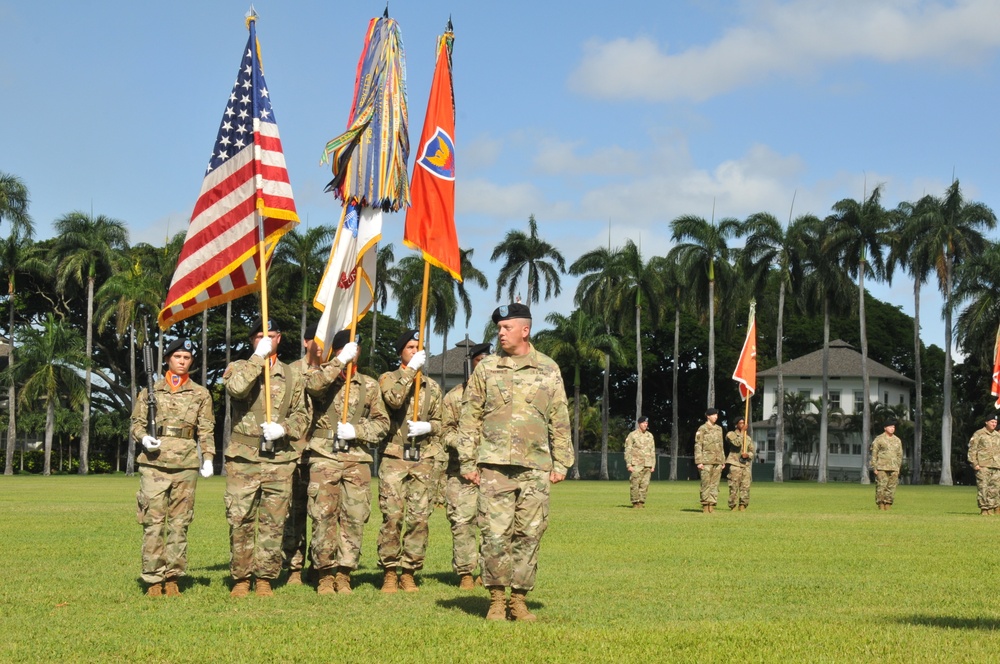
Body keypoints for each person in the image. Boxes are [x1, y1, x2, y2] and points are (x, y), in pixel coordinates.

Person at [457, 303, 573, 622]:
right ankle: (496, 599)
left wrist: (562, 462)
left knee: (530, 533)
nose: (500, 332)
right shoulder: (487, 369)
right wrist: (467, 460)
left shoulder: (548, 369)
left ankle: (518, 599)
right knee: (494, 534)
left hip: (535, 467)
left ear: (525, 330)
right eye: (499, 327)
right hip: (494, 467)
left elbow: (559, 418)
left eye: (507, 327)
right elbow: (470, 417)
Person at [223, 318, 310, 597]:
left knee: (274, 522)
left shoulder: (293, 375)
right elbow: (236, 389)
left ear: (279, 339)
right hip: (243, 459)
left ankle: (265, 578)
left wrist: (283, 428)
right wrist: (257, 358)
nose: (265, 339)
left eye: (270, 336)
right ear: (251, 340)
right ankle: (241, 577)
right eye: (259, 336)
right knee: (241, 520)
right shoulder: (238, 368)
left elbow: (302, 415)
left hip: (279, 459)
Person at [305, 329, 390, 595]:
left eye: (357, 350)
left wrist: (359, 431)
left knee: (354, 517)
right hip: (325, 456)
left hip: (356, 459)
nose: (355, 354)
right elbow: (313, 386)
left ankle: (344, 573)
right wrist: (339, 362)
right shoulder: (320, 376)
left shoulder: (369, 385)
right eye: (348, 349)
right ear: (338, 350)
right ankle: (324, 574)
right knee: (323, 517)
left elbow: (382, 423)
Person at [131, 338, 215, 596]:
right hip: (154, 465)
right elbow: (136, 423)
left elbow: (206, 428)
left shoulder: (201, 393)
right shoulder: (150, 391)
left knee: (180, 524)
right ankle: (154, 579)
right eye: (177, 356)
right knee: (153, 524)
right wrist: (143, 438)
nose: (182, 361)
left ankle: (173, 578)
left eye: (187, 358)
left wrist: (209, 457)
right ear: (168, 359)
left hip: (186, 465)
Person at [376, 329, 443, 593]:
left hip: (423, 459)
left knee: (419, 519)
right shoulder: (388, 378)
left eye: (419, 348)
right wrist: (409, 372)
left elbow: (442, 422)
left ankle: (409, 571)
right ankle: (390, 571)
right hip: (395, 456)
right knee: (392, 517)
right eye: (410, 347)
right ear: (401, 351)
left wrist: (428, 426)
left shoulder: (432, 387)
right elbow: (393, 400)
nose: (416, 352)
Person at [441, 341, 490, 589]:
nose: (484, 367)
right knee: (462, 523)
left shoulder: (500, 398)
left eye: (487, 362)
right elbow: (444, 430)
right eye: (479, 362)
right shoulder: (454, 397)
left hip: (491, 470)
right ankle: (466, 574)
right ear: (470, 365)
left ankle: (488, 573)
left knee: (491, 525)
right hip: (460, 471)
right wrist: (462, 444)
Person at [281, 323, 320, 585]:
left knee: (323, 512)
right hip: (295, 451)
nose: (321, 346)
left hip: (325, 454)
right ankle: (293, 568)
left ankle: (319, 566)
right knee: (293, 512)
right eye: (316, 340)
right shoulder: (290, 372)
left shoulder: (335, 372)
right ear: (306, 342)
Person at [967, 411, 1000, 515]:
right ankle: (985, 509)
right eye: (992, 422)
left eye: (995, 422)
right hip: (983, 465)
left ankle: (994, 507)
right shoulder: (979, 434)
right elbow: (972, 450)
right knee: (983, 488)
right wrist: (974, 463)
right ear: (986, 422)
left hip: (996, 465)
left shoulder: (997, 435)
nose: (994, 424)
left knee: (995, 488)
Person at [694, 408, 724, 513]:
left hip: (717, 461)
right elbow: (698, 445)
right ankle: (705, 505)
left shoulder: (719, 429)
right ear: (708, 416)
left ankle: (712, 504)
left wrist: (722, 461)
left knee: (715, 484)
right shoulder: (702, 428)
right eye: (714, 415)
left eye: (717, 415)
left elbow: (721, 446)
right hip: (706, 461)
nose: (716, 417)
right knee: (706, 483)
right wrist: (699, 461)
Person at [870, 417, 903, 510]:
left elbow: (899, 455)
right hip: (881, 467)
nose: (892, 428)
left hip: (894, 467)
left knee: (891, 487)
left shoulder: (897, 440)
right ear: (885, 428)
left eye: (893, 427)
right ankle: (880, 504)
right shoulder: (879, 439)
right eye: (890, 427)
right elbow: (874, 454)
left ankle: (888, 503)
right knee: (881, 486)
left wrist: (898, 467)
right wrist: (874, 467)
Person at [624, 416, 655, 509]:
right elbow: (627, 450)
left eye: (646, 423)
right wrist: (629, 464)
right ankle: (635, 502)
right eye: (644, 423)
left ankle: (641, 502)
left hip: (647, 464)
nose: (646, 424)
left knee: (645, 484)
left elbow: (652, 451)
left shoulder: (650, 436)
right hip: (636, 464)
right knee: (635, 483)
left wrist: (653, 465)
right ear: (639, 424)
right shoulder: (632, 435)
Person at [725, 417, 755, 511]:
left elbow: (752, 452)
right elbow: (737, 444)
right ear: (736, 425)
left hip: (745, 465)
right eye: (741, 423)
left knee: (745, 486)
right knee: (734, 486)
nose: (743, 425)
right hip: (735, 464)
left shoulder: (748, 438)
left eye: (744, 423)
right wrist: (742, 432)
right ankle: (733, 505)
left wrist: (748, 455)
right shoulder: (731, 434)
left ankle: (743, 505)